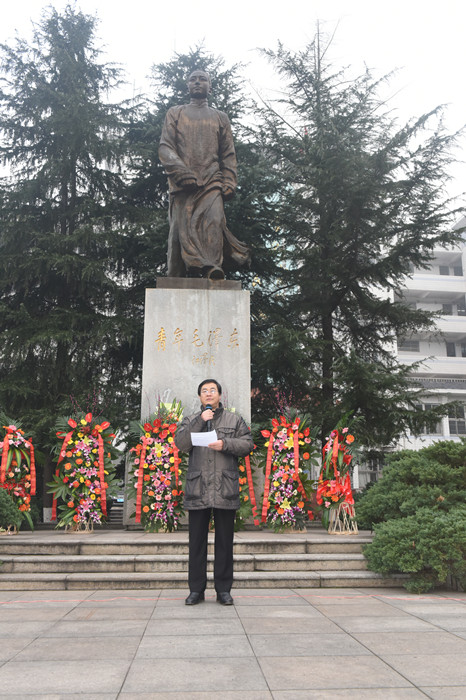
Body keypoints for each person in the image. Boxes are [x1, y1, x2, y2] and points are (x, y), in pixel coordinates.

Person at [159, 69, 250, 279]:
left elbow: (228, 153)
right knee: (179, 232)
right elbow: (165, 147)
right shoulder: (175, 112)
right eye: (193, 79)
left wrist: (229, 180)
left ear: (210, 87)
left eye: (203, 79)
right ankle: (180, 273)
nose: (198, 82)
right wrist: (180, 172)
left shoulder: (220, 117)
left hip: (211, 181)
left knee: (214, 221)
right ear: (187, 86)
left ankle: (212, 268)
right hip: (183, 185)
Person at [175, 378, 253, 605]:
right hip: (198, 487)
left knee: (225, 543)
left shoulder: (234, 419)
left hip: (224, 487)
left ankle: (223, 590)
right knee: (196, 543)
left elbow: (247, 444)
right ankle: (196, 590)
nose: (208, 393)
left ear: (219, 395)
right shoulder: (191, 419)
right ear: (200, 397)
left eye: (212, 390)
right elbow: (181, 444)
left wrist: (225, 444)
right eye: (204, 391)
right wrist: (200, 420)